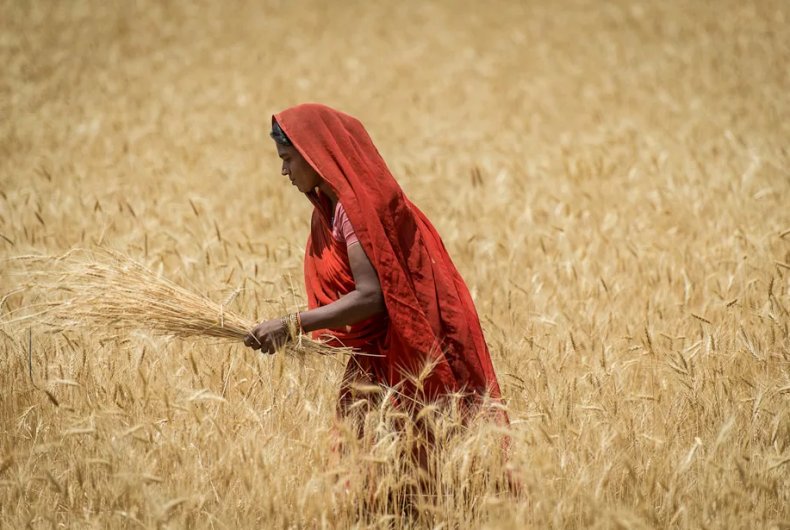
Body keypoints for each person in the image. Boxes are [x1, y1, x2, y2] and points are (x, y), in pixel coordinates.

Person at [244, 103, 505, 426]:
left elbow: (371, 297)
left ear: (312, 153)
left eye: (287, 159)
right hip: (380, 356)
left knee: (413, 457)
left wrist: (292, 324)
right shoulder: (331, 209)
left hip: (407, 353)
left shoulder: (355, 211)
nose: (285, 172)